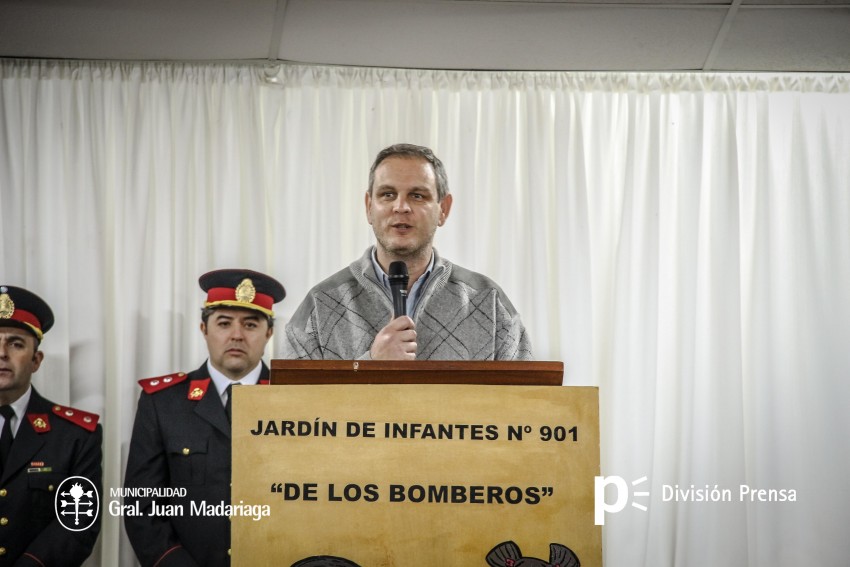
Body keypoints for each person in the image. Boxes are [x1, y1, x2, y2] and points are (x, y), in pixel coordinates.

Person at [282, 143, 532, 361]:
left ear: (443, 209)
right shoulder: (320, 303)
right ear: (369, 207)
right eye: (388, 194)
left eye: (417, 195)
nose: (401, 207)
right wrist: (370, 364)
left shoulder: (488, 301)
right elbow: (290, 407)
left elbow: (528, 402)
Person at [124, 269, 285, 567]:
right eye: (224, 323)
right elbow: (141, 504)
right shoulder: (162, 403)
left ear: (269, 333)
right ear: (204, 329)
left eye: (250, 324)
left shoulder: (294, 400)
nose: (237, 335)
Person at [0, 285, 102, 565]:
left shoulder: (76, 436)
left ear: (36, 360)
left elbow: (78, 522)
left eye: (16, 343)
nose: (2, 353)